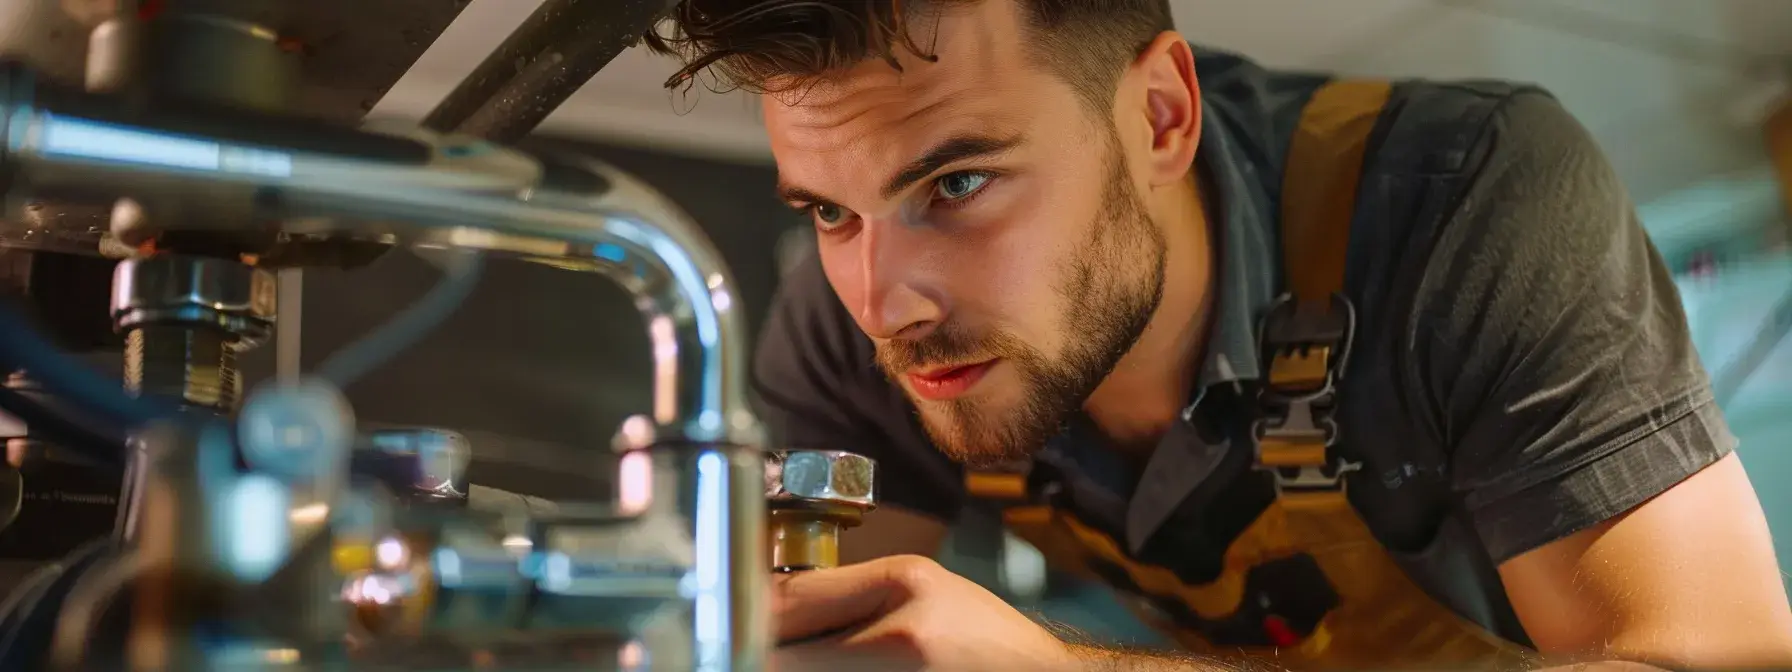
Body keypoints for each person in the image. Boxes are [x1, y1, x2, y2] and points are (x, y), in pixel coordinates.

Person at [646, 1, 1792, 670]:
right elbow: (811, 642)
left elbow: (1713, 662)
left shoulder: (1462, 203)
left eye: (956, 183)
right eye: (830, 211)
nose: (884, 303)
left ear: (1159, 117)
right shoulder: (850, 330)